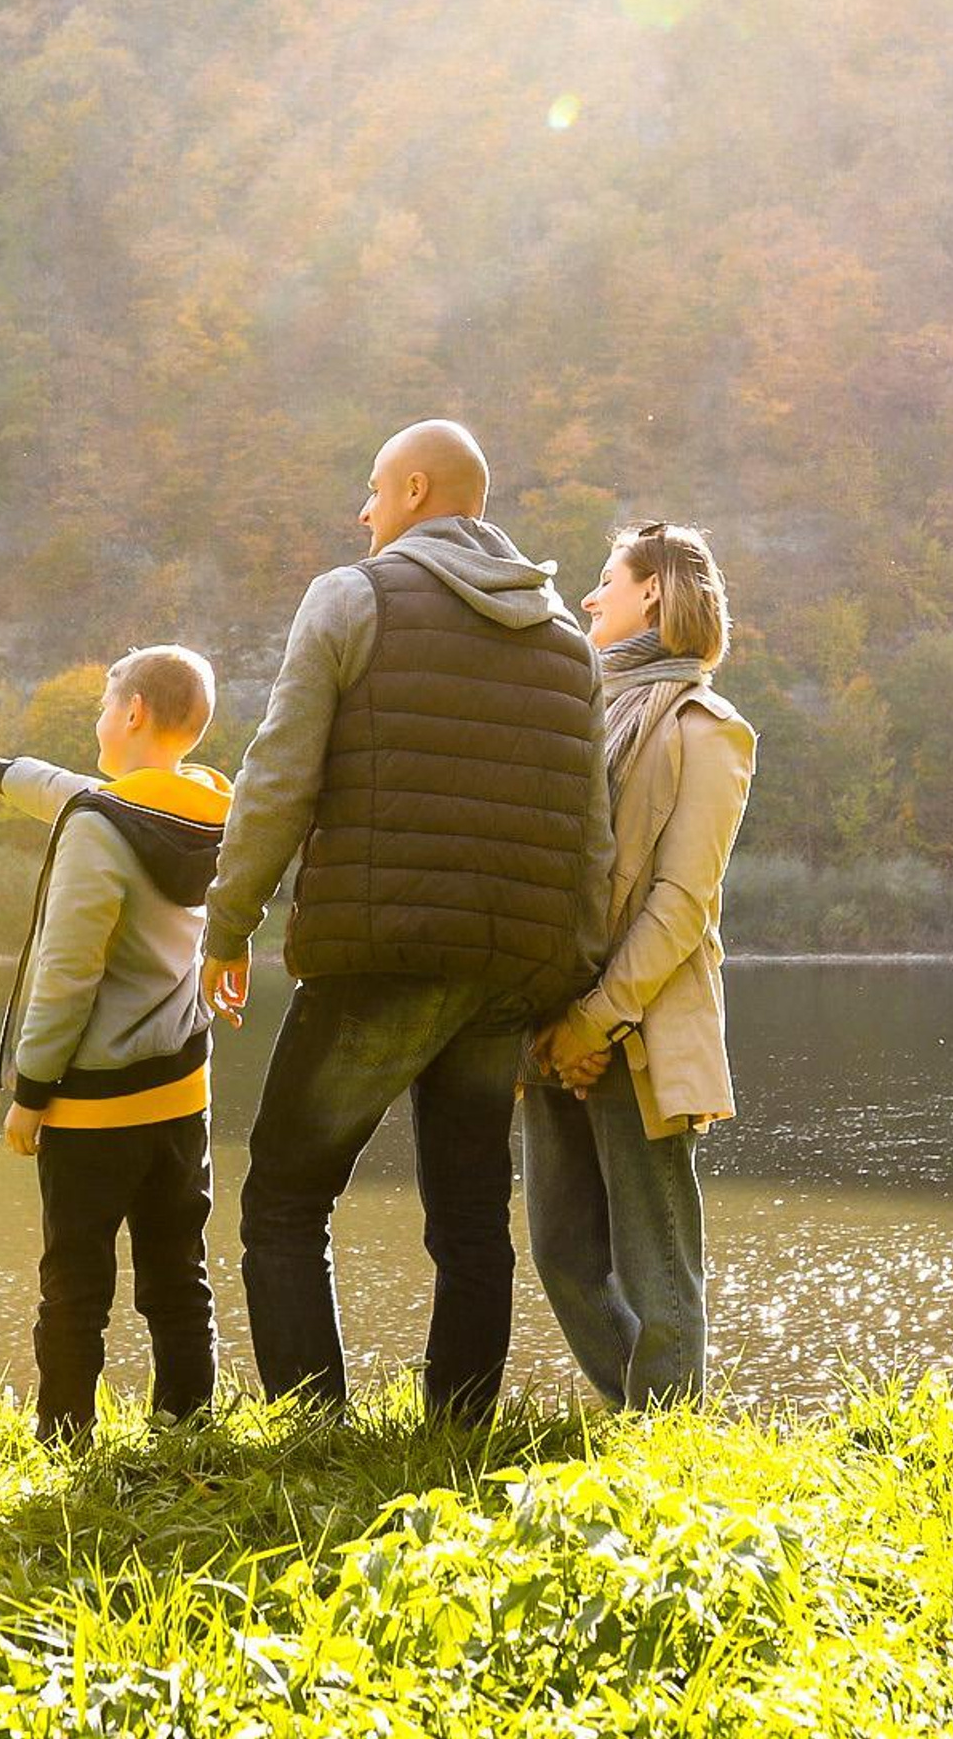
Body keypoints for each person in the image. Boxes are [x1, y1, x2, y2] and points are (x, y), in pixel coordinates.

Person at [200, 418, 613, 1419]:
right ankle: (458, 1429)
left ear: (418, 490)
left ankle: (312, 1429)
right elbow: (591, 834)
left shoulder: (353, 596)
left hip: (382, 952)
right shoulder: (570, 644)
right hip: (507, 969)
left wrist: (228, 922)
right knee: (471, 1217)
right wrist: (573, 978)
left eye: (375, 488)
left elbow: (278, 776)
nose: (364, 511)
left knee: (284, 1200)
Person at [0, 644, 232, 1445]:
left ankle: (64, 1445)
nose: (98, 720)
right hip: (181, 1094)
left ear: (132, 713)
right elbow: (73, 791)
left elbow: (67, 972)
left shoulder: (101, 828)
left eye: (103, 705)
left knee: (75, 1287)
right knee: (179, 1277)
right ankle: (187, 1434)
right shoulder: (205, 809)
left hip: (94, 1102)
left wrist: (31, 1093)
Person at [524, 523, 755, 1406]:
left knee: (657, 1267)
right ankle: (640, 1413)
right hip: (553, 1016)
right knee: (562, 1252)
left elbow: (680, 904)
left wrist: (596, 1022)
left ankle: (666, 1437)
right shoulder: (578, 709)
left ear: (653, 590)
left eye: (606, 579)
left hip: (642, 1025)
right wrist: (556, 1017)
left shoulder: (709, 730)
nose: (589, 598)